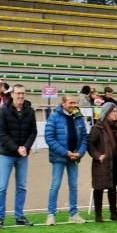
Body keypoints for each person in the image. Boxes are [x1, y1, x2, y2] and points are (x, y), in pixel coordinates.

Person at [0, 83, 37, 228]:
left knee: (21, 187)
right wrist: (17, 148)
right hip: (6, 154)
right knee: (2, 187)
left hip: (22, 155)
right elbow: (1, 134)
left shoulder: (29, 111)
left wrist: (26, 147)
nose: (21, 96)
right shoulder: (3, 111)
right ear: (12, 94)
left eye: (23, 93)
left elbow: (33, 132)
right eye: (18, 93)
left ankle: (19, 216)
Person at [44, 93, 89, 225]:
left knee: (73, 185)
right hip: (59, 158)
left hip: (74, 158)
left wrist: (79, 153)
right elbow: (49, 138)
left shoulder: (79, 117)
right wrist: (66, 152)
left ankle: (73, 214)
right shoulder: (54, 117)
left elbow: (85, 138)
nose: (74, 105)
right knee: (55, 185)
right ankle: (51, 214)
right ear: (63, 103)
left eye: (75, 103)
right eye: (71, 103)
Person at [87, 101, 117, 223]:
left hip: (115, 163)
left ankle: (114, 213)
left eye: (116, 111)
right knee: (98, 188)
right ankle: (98, 215)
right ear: (107, 113)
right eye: (114, 112)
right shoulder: (97, 128)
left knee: (112, 188)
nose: (116, 114)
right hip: (102, 163)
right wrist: (98, 156)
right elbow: (90, 144)